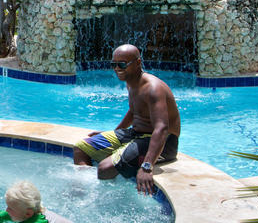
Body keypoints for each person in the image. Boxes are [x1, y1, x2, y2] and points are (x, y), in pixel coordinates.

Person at [73, 44, 181, 195]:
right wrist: (115, 133)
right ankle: (83, 191)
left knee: (104, 168)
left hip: (163, 143)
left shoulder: (153, 88)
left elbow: (161, 127)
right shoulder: (131, 82)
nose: (117, 69)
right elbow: (134, 110)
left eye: (122, 64)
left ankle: (106, 200)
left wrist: (147, 166)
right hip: (135, 134)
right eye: (114, 64)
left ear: (138, 63)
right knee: (81, 147)